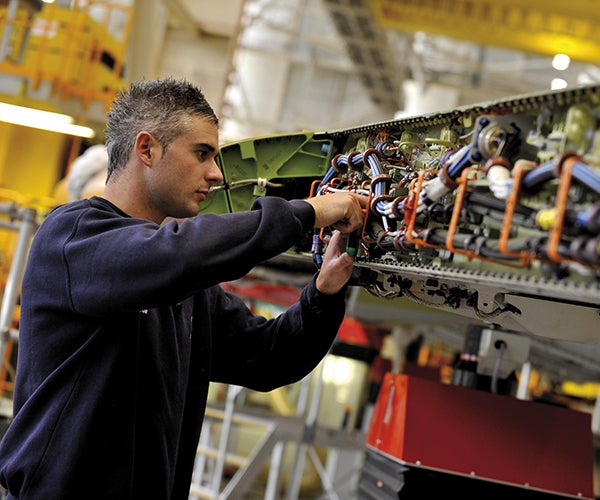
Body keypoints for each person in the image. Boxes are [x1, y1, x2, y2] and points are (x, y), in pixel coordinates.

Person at [0, 77, 366, 499]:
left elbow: (268, 358)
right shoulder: (71, 237)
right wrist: (307, 212)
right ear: (147, 149)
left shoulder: (186, 290)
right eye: (202, 153)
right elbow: (175, 254)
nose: (215, 174)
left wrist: (325, 292)